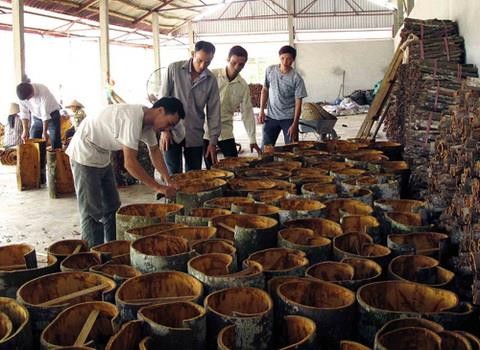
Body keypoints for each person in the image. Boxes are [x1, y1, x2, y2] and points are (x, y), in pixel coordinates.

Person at [66, 97, 185, 247]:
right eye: (169, 124)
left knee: (112, 207)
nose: (166, 130)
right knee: (92, 212)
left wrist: (168, 180)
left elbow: (155, 152)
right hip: (84, 153)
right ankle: (92, 258)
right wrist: (158, 187)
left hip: (102, 155)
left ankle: (111, 250)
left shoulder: (148, 124)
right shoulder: (132, 118)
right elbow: (130, 163)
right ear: (160, 110)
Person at [161, 40, 221, 174]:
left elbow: (214, 112)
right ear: (193, 54)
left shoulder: (211, 80)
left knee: (194, 175)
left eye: (208, 62)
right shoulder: (174, 70)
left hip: (195, 133)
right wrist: (164, 130)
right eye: (200, 60)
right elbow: (162, 101)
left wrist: (213, 141)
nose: (203, 65)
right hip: (172, 132)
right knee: (172, 174)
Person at [204, 45, 261, 168]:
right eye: (233, 62)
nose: (236, 67)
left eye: (241, 64)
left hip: (225, 129)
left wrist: (252, 139)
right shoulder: (211, 76)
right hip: (206, 129)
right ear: (227, 59)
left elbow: (247, 113)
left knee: (234, 164)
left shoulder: (243, 85)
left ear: (245, 64)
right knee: (210, 166)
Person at [258, 45, 307, 147]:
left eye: (289, 59)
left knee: (292, 149)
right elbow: (265, 89)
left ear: (293, 60)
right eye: (282, 58)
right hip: (271, 117)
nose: (285, 61)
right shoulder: (270, 70)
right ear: (279, 57)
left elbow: (298, 102)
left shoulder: (296, 78)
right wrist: (262, 110)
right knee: (266, 149)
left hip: (288, 118)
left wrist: (295, 124)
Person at [16, 82, 62, 149]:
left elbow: (45, 114)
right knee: (34, 137)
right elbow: (24, 113)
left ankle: (57, 158)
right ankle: (40, 158)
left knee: (54, 139)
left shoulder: (43, 90)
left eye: (28, 97)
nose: (28, 100)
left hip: (52, 114)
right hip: (37, 116)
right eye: (26, 99)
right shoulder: (22, 96)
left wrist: (45, 132)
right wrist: (25, 130)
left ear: (32, 90)